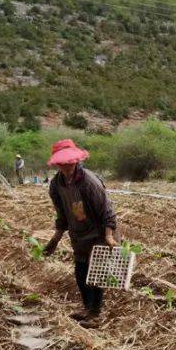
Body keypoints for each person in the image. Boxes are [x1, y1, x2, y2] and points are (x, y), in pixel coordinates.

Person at [42, 139, 119, 328]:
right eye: (63, 163)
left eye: (70, 163)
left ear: (76, 161)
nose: (67, 167)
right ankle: (87, 309)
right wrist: (55, 238)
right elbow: (62, 214)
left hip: (101, 232)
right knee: (80, 272)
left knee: (96, 274)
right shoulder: (56, 184)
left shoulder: (88, 181)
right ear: (57, 163)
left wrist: (109, 236)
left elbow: (107, 210)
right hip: (79, 234)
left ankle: (96, 314)